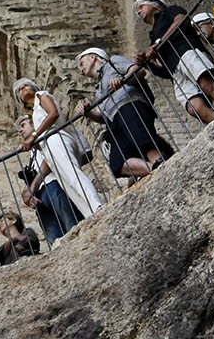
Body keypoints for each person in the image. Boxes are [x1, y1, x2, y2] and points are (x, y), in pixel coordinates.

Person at [13, 79, 103, 219]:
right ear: (21, 101)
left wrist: (33, 136)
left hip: (56, 138)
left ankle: (96, 205)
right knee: (66, 184)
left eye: (26, 85)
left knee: (72, 174)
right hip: (49, 146)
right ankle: (90, 213)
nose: (23, 88)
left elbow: (53, 114)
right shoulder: (35, 112)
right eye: (19, 90)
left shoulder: (41, 96)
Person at [133, 0, 214, 123]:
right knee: (193, 106)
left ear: (155, 5)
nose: (139, 11)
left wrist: (159, 42)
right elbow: (164, 71)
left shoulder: (169, 11)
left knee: (208, 85)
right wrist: (147, 62)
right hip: (175, 69)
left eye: (141, 6)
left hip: (187, 51)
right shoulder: (153, 35)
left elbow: (182, 20)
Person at [77, 47, 171, 180]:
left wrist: (123, 80)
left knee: (142, 138)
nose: (80, 70)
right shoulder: (98, 90)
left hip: (130, 104)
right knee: (117, 163)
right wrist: (89, 113)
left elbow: (138, 72)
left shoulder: (113, 63)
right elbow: (103, 117)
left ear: (93, 57)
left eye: (81, 63)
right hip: (114, 121)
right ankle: (154, 168)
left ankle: (160, 162)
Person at [16, 118, 83, 246]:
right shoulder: (33, 153)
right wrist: (29, 194)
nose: (20, 130)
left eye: (23, 125)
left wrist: (33, 187)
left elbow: (50, 161)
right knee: (54, 240)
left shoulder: (47, 138)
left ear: (34, 123)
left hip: (53, 185)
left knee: (72, 227)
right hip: (41, 197)